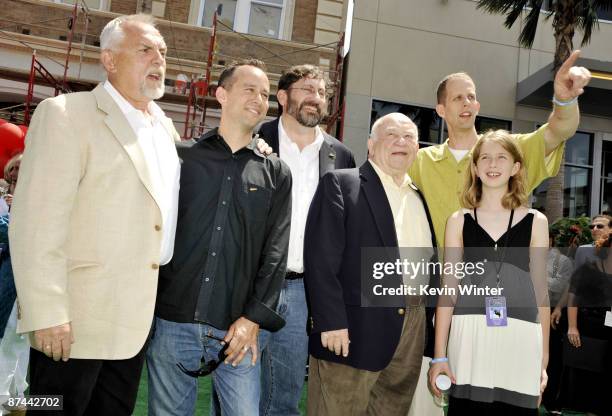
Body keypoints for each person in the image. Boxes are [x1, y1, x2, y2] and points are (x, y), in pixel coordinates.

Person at [9, 14, 181, 415]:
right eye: (145, 50)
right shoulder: (66, 114)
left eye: (163, 52)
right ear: (109, 59)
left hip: (135, 322)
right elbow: (36, 224)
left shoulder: (164, 130)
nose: (159, 59)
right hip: (73, 322)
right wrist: (47, 312)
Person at [146, 59, 292, 416]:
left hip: (238, 329)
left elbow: (276, 252)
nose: (259, 99)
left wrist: (252, 319)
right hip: (172, 320)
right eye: (249, 89)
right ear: (221, 95)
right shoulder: (182, 158)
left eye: (265, 93)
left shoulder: (276, 172)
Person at [304, 112, 436, 415]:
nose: (401, 142)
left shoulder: (418, 196)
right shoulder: (342, 183)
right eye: (391, 135)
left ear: (417, 148)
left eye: (408, 137)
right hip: (353, 329)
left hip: (411, 327)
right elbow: (321, 260)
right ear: (370, 145)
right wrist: (331, 321)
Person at [252, 64, 355, 416]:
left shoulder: (341, 156)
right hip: (251, 285)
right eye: (307, 90)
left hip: (301, 293)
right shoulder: (253, 140)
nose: (316, 98)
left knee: (285, 394)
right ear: (282, 97)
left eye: (322, 93)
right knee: (235, 389)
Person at [409, 50, 591, 248]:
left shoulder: (511, 150)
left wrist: (565, 101)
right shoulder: (420, 161)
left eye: (471, 97)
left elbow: (559, 131)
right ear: (441, 110)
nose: (466, 103)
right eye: (458, 98)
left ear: (477, 106)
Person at [429, 130, 550, 415]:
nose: (492, 165)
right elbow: (448, 291)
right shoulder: (457, 221)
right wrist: (439, 356)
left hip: (521, 337)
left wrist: (543, 359)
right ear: (474, 167)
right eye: (485, 158)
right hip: (469, 336)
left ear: (516, 167)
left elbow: (541, 292)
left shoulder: (537, 222)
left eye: (501, 158)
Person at [561, 234, 612, 416]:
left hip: (609, 328)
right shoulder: (589, 269)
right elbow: (573, 297)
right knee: (588, 373)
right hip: (588, 325)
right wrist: (572, 326)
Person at [0, 153, 27, 416]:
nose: (15, 174)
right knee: (12, 342)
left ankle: (12, 399)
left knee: (14, 342)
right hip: (10, 280)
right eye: (13, 169)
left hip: (18, 282)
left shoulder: (31, 199)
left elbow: (14, 231)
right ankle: (11, 400)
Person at [542, 228, 573, 414]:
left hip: (552, 314)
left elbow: (562, 286)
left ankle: (550, 400)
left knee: (552, 359)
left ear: (551, 241)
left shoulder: (562, 261)